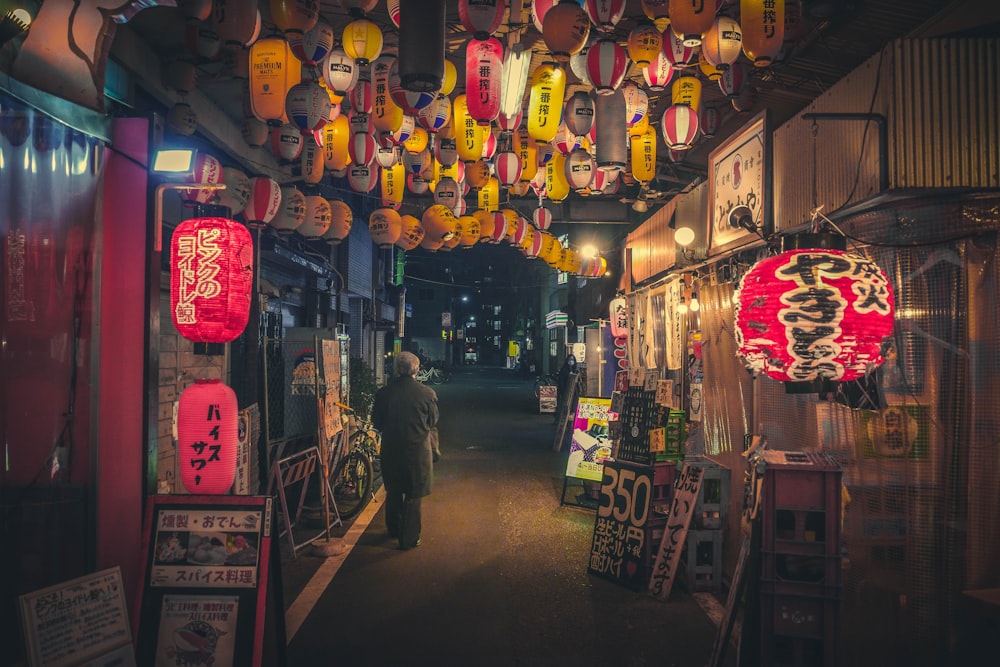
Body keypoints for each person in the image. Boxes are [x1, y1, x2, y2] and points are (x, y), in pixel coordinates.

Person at [372, 351, 439, 550]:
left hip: (391, 449)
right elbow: (433, 421)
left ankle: (393, 529)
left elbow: (377, 421)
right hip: (417, 451)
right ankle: (408, 538)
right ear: (416, 370)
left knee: (393, 489)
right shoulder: (427, 393)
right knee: (413, 492)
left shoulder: (384, 393)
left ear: (396, 370)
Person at [556, 353, 578, 423]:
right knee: (565, 407)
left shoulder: (575, 370)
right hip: (565, 391)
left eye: (572, 360)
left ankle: (570, 420)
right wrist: (562, 391)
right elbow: (561, 381)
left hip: (573, 392)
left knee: (573, 406)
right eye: (570, 359)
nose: (571, 361)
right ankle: (562, 420)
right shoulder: (564, 370)